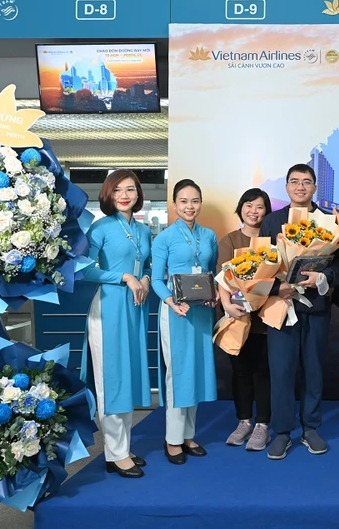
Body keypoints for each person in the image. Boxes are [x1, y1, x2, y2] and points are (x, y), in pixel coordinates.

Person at [257, 163, 339, 460]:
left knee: (314, 370)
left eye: (306, 182)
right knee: (281, 371)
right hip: (281, 307)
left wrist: (322, 277)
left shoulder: (329, 221)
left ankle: (311, 428)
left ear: (315, 187)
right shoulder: (272, 221)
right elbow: (259, 263)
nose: (300, 187)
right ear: (286, 187)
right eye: (294, 182)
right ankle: (282, 432)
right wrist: (276, 288)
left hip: (316, 306)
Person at [81, 169, 153, 479]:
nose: (124, 195)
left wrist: (145, 278)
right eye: (118, 190)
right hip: (109, 307)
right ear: (108, 194)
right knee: (111, 378)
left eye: (130, 189)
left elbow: (147, 264)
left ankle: (122, 447)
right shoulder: (100, 228)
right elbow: (85, 270)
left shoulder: (143, 230)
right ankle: (114, 453)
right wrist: (123, 276)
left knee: (128, 376)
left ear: (138, 194)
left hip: (135, 307)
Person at [151, 179, 219, 465]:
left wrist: (213, 295)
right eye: (183, 201)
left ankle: (188, 436)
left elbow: (211, 273)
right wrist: (171, 302)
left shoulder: (209, 235)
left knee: (197, 371)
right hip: (176, 312)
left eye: (195, 201)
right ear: (175, 204)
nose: (190, 206)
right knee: (178, 373)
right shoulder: (164, 238)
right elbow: (156, 280)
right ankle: (173, 439)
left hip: (201, 312)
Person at [219, 188, 273, 452]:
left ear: (266, 211)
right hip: (238, 317)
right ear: (241, 208)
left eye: (260, 206)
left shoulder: (273, 240)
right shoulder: (230, 240)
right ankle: (244, 421)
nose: (254, 211)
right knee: (240, 372)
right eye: (249, 205)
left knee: (263, 372)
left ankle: (262, 425)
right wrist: (228, 305)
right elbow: (222, 278)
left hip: (266, 317)